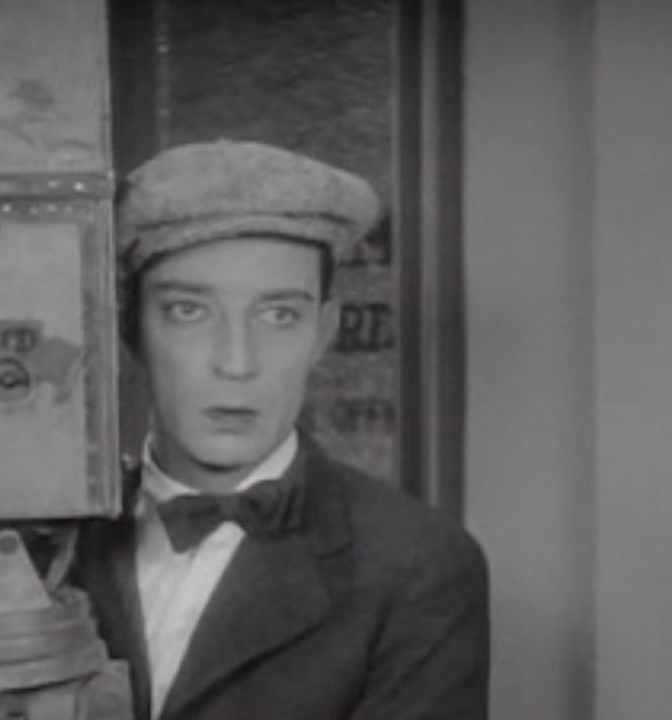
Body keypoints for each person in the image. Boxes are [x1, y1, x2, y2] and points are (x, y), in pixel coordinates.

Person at [75, 140, 489, 720]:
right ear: (130, 327)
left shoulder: (416, 565)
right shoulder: (50, 546)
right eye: (189, 310)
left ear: (323, 332)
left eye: (279, 316)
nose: (237, 362)